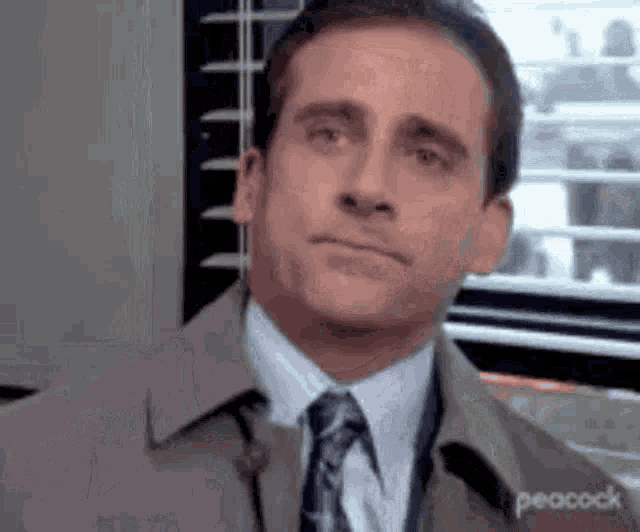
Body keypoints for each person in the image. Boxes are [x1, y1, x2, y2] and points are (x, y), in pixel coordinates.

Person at [2, 0, 639, 530]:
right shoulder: (23, 474)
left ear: (489, 235)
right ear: (250, 184)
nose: (368, 187)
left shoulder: (592, 516)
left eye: (426, 156)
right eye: (329, 135)